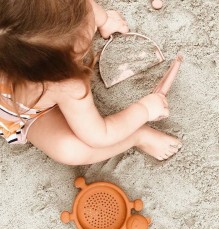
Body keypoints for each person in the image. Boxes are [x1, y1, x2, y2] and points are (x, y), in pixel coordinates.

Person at [0, 0, 182, 165]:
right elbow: (99, 135)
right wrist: (144, 109)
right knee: (71, 151)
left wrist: (104, 20)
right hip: (27, 115)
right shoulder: (66, 85)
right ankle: (138, 137)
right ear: (60, 67)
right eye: (82, 47)